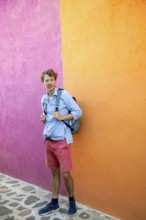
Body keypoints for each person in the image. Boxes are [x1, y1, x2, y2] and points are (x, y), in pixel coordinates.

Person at [38, 69, 82, 216]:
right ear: (43, 82)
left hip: (62, 141)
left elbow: (78, 112)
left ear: (55, 80)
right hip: (48, 141)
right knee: (54, 172)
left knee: (66, 174)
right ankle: (54, 202)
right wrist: (43, 118)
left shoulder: (64, 95)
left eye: (51, 79)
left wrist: (62, 117)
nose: (49, 82)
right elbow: (47, 117)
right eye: (46, 80)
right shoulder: (44, 99)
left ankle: (72, 201)